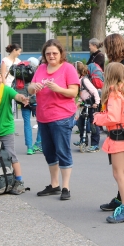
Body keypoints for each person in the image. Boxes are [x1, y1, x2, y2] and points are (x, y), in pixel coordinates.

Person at [28, 39, 80, 200]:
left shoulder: (68, 68)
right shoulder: (41, 68)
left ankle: (66, 187)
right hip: (43, 116)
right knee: (49, 152)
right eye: (48, 53)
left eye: (54, 53)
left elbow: (74, 92)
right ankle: (54, 184)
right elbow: (30, 88)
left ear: (61, 53)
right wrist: (33, 87)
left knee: (62, 151)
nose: (51, 56)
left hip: (62, 116)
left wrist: (58, 89)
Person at [94, 63, 124, 223]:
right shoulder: (123, 90)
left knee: (118, 174)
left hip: (117, 136)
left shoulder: (113, 93)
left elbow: (113, 117)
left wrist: (97, 118)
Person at [13, 61, 43, 155]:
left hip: (23, 102)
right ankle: (38, 143)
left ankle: (29, 148)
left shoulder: (18, 77)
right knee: (41, 123)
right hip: (35, 103)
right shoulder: (36, 75)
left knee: (27, 124)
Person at [74, 61, 101, 152]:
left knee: (93, 125)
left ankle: (95, 145)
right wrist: (79, 102)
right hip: (86, 104)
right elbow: (83, 94)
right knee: (81, 123)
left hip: (93, 105)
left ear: (78, 72)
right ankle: (83, 141)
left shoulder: (84, 80)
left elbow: (94, 91)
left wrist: (97, 103)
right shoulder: (78, 81)